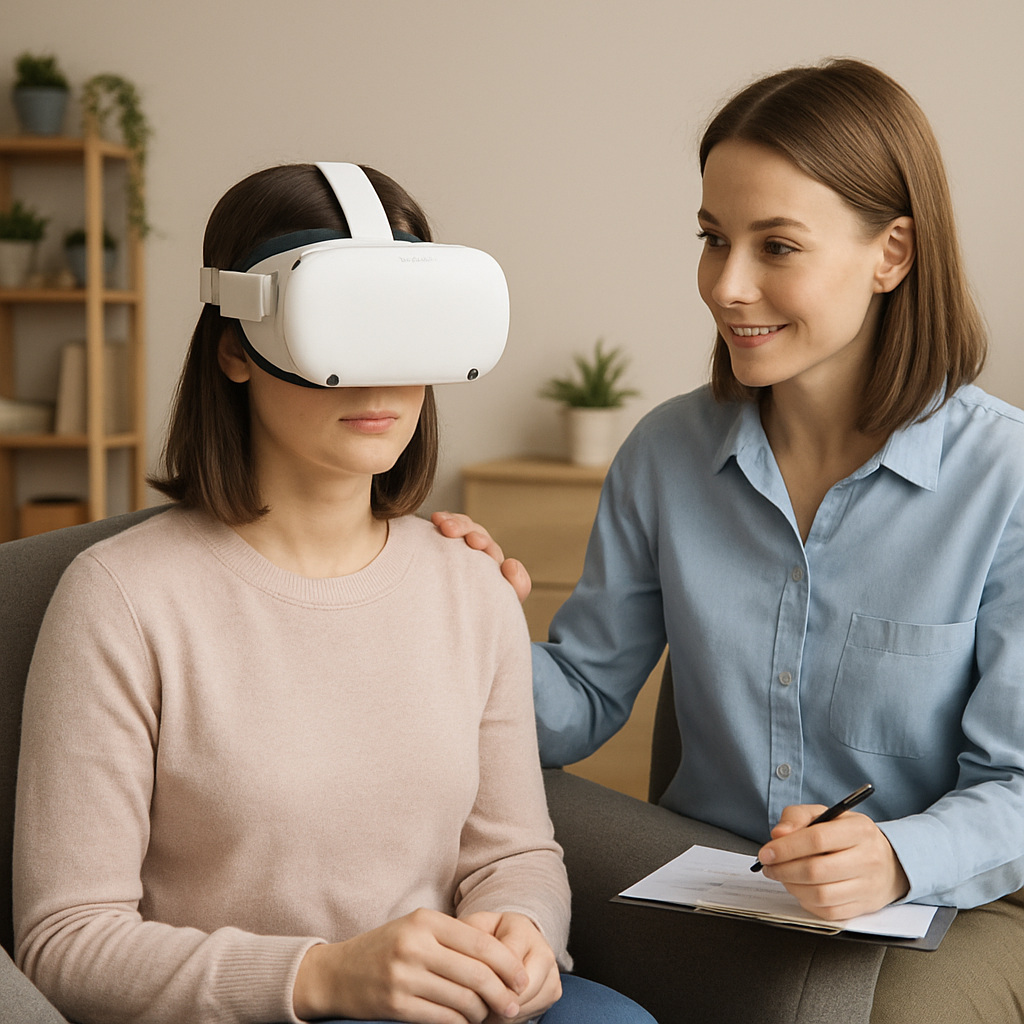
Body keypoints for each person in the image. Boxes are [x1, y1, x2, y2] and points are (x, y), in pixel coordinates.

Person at [435, 59, 1024, 1023]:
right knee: (485, 845)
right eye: (713, 238)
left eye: (776, 245)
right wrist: (467, 616)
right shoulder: (668, 451)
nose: (727, 284)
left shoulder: (1006, 480)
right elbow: (579, 701)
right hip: (704, 885)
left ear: (894, 254)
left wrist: (894, 856)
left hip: (946, 906)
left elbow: (1017, 787)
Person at [12, 163, 656, 1024]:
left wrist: (522, 935)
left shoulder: (472, 586)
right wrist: (323, 976)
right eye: (347, 324)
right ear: (235, 348)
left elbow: (513, 854)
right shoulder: (122, 599)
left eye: (412, 328)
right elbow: (66, 941)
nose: (384, 373)